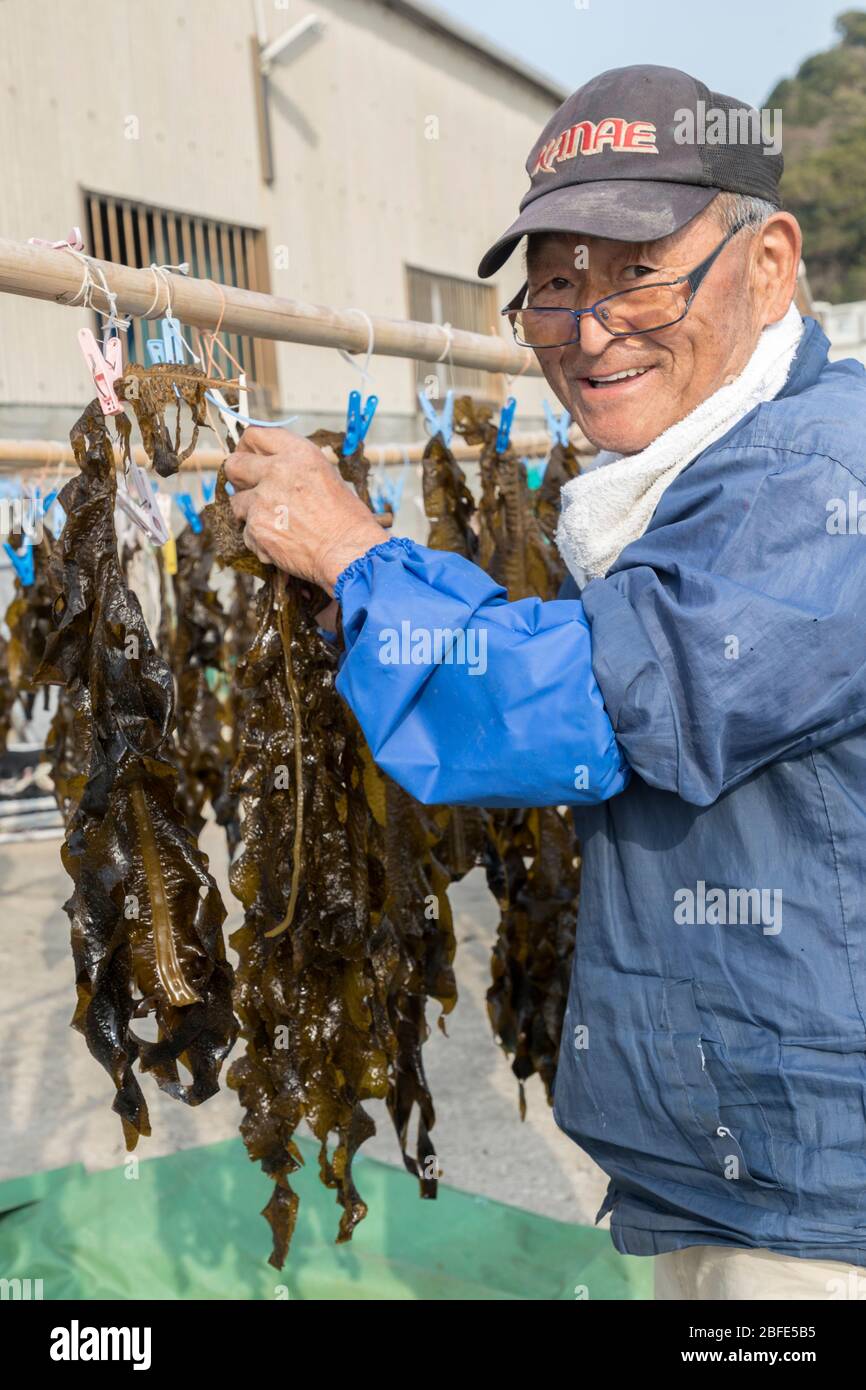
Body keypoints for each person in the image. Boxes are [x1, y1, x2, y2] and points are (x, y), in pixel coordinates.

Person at [225, 65, 866, 1301]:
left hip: (813, 1197)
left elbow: (589, 700)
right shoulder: (699, 476)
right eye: (557, 285)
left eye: (637, 271)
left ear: (771, 261)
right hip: (729, 1167)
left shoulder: (819, 479)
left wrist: (359, 559)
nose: (589, 326)